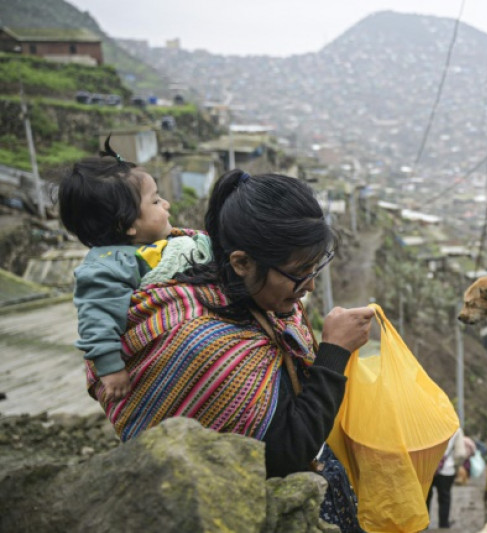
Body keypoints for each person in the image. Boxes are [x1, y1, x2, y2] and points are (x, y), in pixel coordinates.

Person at [86, 168, 375, 485]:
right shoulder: (201, 341)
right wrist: (334, 352)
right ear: (241, 262)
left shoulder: (253, 298)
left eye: (314, 268)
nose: (310, 286)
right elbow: (289, 451)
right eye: (299, 272)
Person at [59, 137, 212, 405]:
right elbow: (97, 317)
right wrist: (110, 368)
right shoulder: (107, 265)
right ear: (126, 224)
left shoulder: (168, 243)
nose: (166, 204)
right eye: (155, 201)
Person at [427, 428, 469, 529]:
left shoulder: (428, 424)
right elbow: (460, 454)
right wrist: (455, 465)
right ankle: (443, 525)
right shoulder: (455, 428)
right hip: (447, 470)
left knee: (426, 497)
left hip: (427, 468)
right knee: (444, 498)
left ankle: (423, 525)